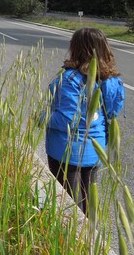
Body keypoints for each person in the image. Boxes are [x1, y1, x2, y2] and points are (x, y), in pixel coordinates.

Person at [45, 28, 125, 214]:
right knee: (88, 200)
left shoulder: (72, 79)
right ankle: (89, 238)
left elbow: (68, 119)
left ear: (76, 48)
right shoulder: (112, 80)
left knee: (69, 206)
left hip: (66, 151)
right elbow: (112, 112)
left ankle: (74, 241)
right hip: (95, 149)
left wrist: (42, 118)